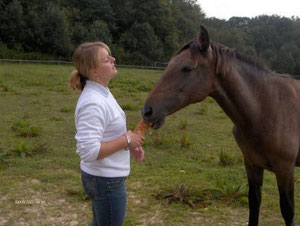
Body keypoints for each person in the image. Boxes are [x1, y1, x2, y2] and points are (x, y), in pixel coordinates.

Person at [69, 41, 145, 226]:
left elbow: (107, 131)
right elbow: (89, 151)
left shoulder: (102, 92)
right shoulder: (93, 102)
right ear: (94, 71)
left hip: (103, 179)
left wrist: (130, 143)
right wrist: (126, 140)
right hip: (105, 182)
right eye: (106, 59)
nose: (113, 59)